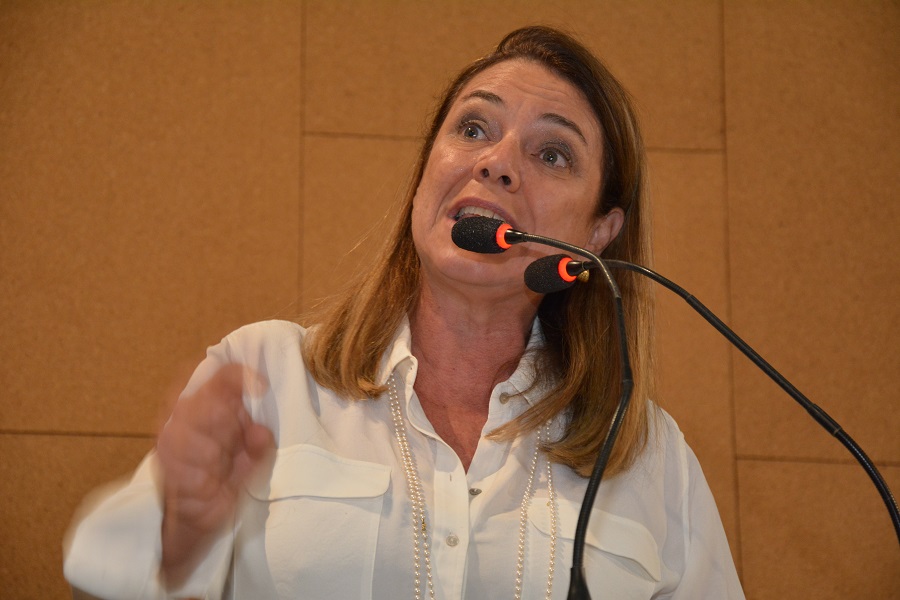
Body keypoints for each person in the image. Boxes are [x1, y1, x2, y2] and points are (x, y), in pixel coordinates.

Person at [64, 26, 744, 599]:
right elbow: (100, 583)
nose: (497, 162)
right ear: (426, 174)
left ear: (598, 233)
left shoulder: (653, 459)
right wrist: (179, 534)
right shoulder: (265, 376)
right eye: (473, 128)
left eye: (552, 153)